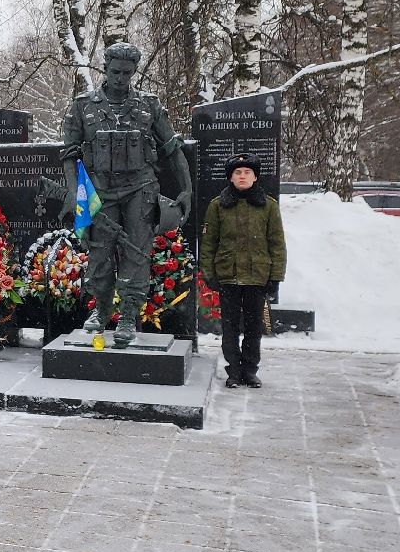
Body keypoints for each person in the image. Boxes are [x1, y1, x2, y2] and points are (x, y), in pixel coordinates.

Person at [59, 42, 191, 347]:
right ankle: (102, 311)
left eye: (127, 73)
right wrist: (71, 191)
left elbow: (172, 147)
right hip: (100, 192)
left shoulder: (149, 105)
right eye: (116, 71)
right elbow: (69, 153)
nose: (121, 78)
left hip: (140, 190)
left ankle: (129, 316)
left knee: (136, 253)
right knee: (100, 255)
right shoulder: (83, 105)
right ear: (105, 69)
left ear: (134, 73)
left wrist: (187, 189)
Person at [198, 154, 287, 388]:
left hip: (257, 277)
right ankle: (233, 372)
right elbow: (208, 243)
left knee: (253, 328)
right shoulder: (217, 206)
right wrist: (208, 273)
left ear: (255, 176)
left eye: (247, 172)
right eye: (237, 172)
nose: (242, 176)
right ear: (231, 177)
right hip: (228, 276)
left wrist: (275, 276)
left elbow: (276, 243)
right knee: (230, 329)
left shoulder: (268, 206)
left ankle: (250, 371)